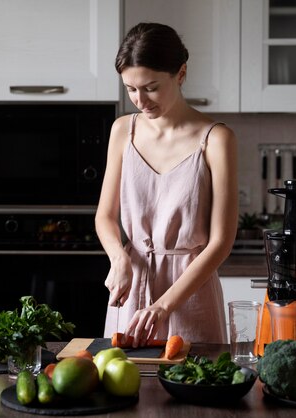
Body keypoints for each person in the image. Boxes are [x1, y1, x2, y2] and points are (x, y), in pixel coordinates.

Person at [95, 22, 239, 347]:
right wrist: (119, 259)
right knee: (124, 388)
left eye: (150, 87)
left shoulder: (216, 139)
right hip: (133, 291)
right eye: (130, 89)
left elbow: (221, 242)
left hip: (192, 294)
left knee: (197, 389)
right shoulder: (123, 131)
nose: (140, 100)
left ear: (181, 74)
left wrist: (164, 304)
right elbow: (105, 216)